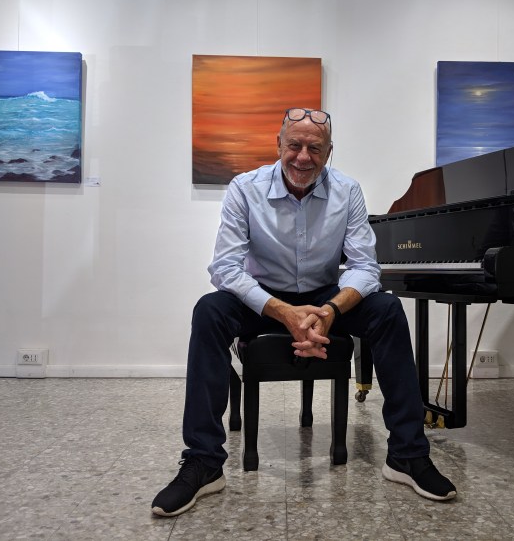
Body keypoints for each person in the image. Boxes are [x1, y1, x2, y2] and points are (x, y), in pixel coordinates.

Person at [151, 108, 456, 517]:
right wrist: (284, 313)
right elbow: (225, 268)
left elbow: (366, 267)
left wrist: (329, 310)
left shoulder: (348, 190)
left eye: (315, 148)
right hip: (262, 298)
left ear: (328, 152)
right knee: (209, 310)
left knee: (387, 309)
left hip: (324, 294)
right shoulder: (245, 188)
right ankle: (204, 462)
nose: (302, 157)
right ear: (278, 145)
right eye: (294, 145)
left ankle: (407, 454)